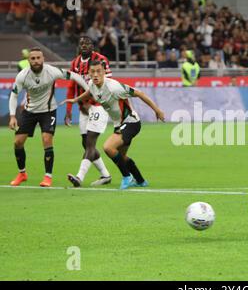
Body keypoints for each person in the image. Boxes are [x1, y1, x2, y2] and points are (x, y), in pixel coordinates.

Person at [62, 60, 165, 190]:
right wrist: (76, 100)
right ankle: (140, 181)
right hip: (119, 124)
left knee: (108, 147)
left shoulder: (114, 87)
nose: (95, 75)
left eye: (99, 71)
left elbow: (140, 93)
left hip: (131, 122)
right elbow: (90, 92)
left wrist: (157, 110)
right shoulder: (91, 84)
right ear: (88, 73)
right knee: (122, 156)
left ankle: (126, 177)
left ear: (104, 72)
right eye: (92, 72)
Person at [9, 47, 91, 187]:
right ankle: (22, 173)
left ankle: (48, 177)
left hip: (48, 111)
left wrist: (89, 90)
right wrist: (12, 116)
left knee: (46, 139)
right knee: (18, 142)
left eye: (38, 58)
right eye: (32, 58)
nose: (35, 61)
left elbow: (74, 76)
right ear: (29, 60)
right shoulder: (22, 76)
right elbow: (14, 95)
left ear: (43, 59)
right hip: (30, 112)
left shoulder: (52, 71)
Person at [65, 36, 112, 187]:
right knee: (86, 144)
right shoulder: (75, 62)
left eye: (88, 43)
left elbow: (107, 84)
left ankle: (79, 177)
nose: (84, 46)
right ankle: (105, 175)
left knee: (90, 142)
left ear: (93, 46)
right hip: (83, 108)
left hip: (99, 105)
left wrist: (90, 101)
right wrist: (69, 109)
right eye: (82, 43)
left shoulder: (101, 60)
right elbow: (72, 86)